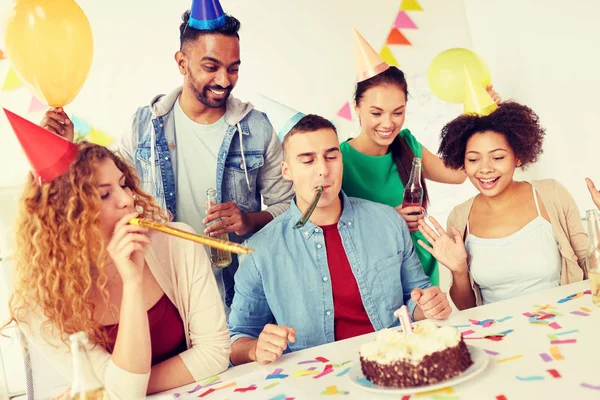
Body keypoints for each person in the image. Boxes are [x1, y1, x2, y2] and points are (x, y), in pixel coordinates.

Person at [39, 0, 294, 315]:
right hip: (168, 293)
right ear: (182, 62)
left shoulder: (256, 128)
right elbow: (104, 192)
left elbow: (289, 209)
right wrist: (64, 150)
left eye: (233, 68)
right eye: (211, 66)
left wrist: (248, 220)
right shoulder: (143, 126)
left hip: (243, 294)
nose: (224, 80)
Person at [3, 110, 230, 399]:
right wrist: (132, 283)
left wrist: (119, 389)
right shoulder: (37, 303)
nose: (128, 200)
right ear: (67, 216)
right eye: (104, 194)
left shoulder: (177, 245)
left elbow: (215, 353)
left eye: (123, 184)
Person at [227, 114, 452, 366]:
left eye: (331, 156)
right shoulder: (259, 251)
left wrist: (429, 306)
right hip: (315, 380)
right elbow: (237, 340)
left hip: (394, 364)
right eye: (308, 160)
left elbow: (416, 297)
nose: (323, 170)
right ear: (286, 171)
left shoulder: (388, 222)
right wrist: (255, 348)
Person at [340, 30, 501, 286]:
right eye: (376, 112)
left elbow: (458, 174)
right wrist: (390, 220)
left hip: (421, 269)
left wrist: (479, 116)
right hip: (376, 277)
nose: (387, 123)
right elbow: (333, 232)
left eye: (397, 112)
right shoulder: (338, 161)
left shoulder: (407, 144)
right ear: (356, 108)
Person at [416, 102, 587, 309]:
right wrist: (459, 270)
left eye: (497, 157)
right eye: (473, 159)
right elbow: (466, 309)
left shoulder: (551, 194)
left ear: (518, 156)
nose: (485, 169)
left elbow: (590, 264)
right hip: (498, 334)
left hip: (562, 325)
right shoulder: (459, 218)